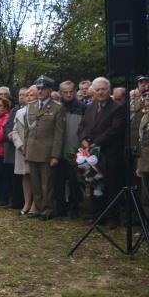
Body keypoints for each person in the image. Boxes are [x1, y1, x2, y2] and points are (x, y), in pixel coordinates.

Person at [78, 77, 125, 228]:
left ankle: (112, 217)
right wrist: (84, 139)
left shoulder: (117, 108)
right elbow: (82, 127)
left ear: (109, 90)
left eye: (103, 89)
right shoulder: (90, 107)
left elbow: (115, 130)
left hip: (109, 154)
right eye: (97, 90)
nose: (100, 92)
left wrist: (95, 143)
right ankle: (97, 215)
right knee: (95, 184)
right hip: (92, 156)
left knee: (111, 186)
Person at [24, 76, 65, 221]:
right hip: (32, 150)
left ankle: (47, 209)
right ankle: (38, 207)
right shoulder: (31, 106)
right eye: (38, 88)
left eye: (43, 89)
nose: (40, 91)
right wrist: (26, 151)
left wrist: (55, 155)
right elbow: (27, 131)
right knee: (35, 182)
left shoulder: (57, 108)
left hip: (47, 152)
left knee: (47, 183)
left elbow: (59, 134)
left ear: (49, 90)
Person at [55, 80, 86, 218]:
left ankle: (75, 209)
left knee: (74, 183)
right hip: (58, 152)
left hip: (75, 151)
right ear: (60, 93)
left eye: (70, 92)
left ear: (74, 91)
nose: (68, 94)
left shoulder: (83, 108)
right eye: (65, 92)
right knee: (58, 182)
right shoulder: (56, 108)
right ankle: (60, 209)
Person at [9, 87, 36, 215]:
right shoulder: (19, 112)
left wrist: (30, 147)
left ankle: (36, 204)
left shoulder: (41, 111)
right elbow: (14, 131)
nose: (29, 97)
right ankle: (27, 203)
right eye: (27, 95)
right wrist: (20, 146)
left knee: (36, 176)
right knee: (25, 176)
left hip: (36, 149)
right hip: (21, 149)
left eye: (31, 95)